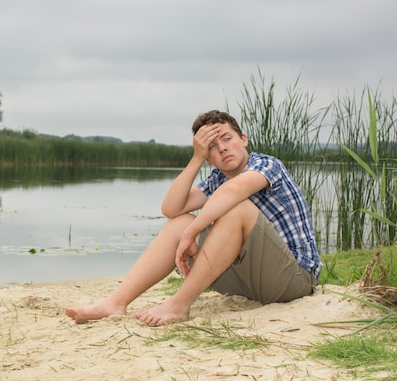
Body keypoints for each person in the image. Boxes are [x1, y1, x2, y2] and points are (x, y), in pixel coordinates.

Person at [65, 110, 322, 326]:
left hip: (294, 280)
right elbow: (171, 208)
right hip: (251, 283)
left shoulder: (267, 165)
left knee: (236, 209)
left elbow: (233, 193)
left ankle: (178, 305)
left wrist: (192, 234)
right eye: (211, 146)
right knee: (180, 222)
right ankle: (115, 302)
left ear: (243, 139)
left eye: (227, 138)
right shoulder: (217, 178)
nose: (221, 148)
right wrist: (196, 159)